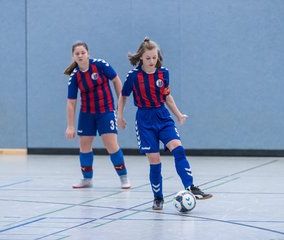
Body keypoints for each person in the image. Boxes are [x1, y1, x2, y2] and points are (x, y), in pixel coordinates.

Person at [117, 37, 212, 210]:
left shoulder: (163, 73)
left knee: (179, 149)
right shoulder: (134, 76)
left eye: (155, 57)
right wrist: (119, 116)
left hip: (162, 116)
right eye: (148, 58)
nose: (152, 61)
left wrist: (178, 115)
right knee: (155, 161)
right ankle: (158, 198)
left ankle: (190, 186)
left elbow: (167, 96)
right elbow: (123, 96)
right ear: (140, 58)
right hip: (145, 120)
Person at [64, 41, 131, 189]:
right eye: (77, 54)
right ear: (73, 56)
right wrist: (70, 126)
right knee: (84, 146)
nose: (80, 56)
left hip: (105, 111)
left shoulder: (100, 65)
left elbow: (116, 80)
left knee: (111, 145)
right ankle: (87, 179)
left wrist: (120, 106)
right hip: (87, 113)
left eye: (83, 52)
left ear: (88, 53)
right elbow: (71, 102)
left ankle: (123, 177)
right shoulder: (75, 77)